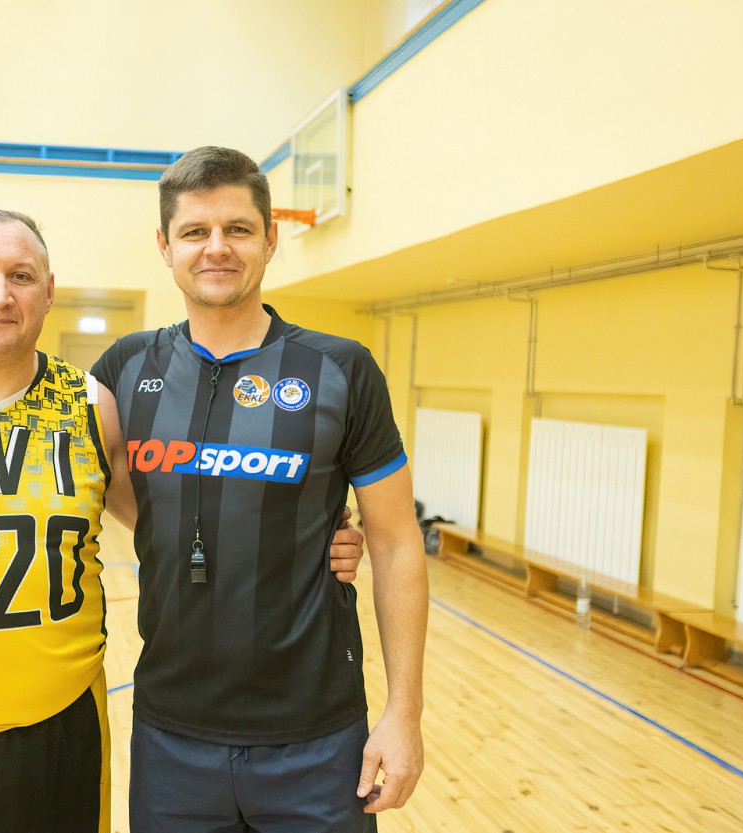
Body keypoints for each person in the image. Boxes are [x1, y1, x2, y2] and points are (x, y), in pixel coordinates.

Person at [0, 208, 367, 833]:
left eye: (21, 276)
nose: (0, 294)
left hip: (61, 735)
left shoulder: (92, 406)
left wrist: (309, 533)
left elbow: (177, 520)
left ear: (49, 290)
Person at [91, 146, 429, 832]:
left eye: (238, 229)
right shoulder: (125, 367)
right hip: (171, 734)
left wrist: (404, 713)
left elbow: (396, 543)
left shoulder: (340, 368)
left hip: (318, 736)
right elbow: (106, 485)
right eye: (195, 231)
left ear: (271, 240)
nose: (216, 247)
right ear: (165, 246)